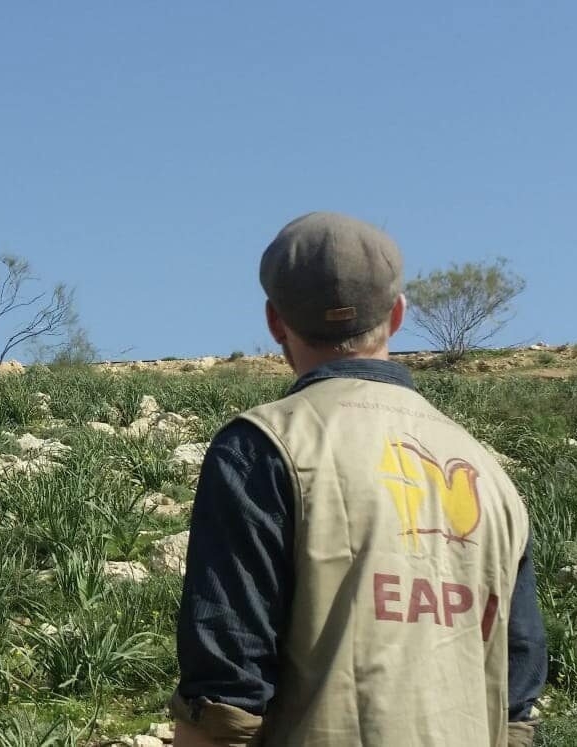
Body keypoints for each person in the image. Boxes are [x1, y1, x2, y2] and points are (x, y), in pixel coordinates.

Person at [171, 213, 546, 747]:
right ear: (396, 314)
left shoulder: (264, 446)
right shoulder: (487, 472)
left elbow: (225, 697)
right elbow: (516, 704)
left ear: (275, 322)